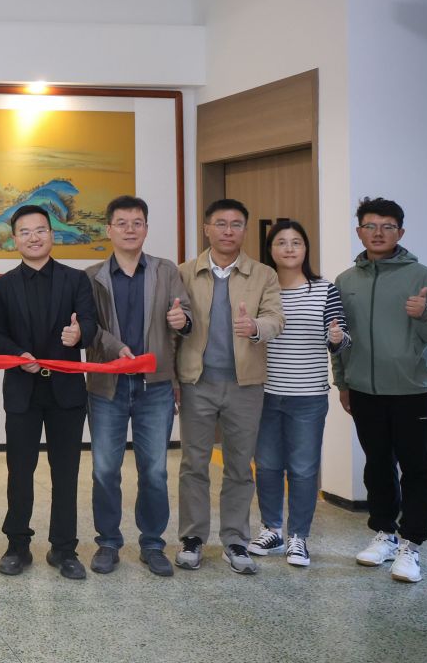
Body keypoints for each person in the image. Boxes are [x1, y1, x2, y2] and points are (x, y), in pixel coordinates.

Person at [0, 205, 98, 580]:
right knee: (19, 471)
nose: (33, 238)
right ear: (14, 239)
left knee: (65, 472)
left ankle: (64, 548)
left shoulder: (76, 280)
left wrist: (79, 335)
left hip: (66, 393)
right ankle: (17, 544)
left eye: (40, 230)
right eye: (25, 232)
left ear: (52, 234)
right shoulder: (2, 286)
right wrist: (18, 355)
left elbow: (90, 324)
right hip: (23, 391)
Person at [334, 197, 427, 583]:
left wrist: (425, 314)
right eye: (370, 226)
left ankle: (412, 544)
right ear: (359, 231)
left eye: (387, 226)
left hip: (412, 391)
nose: (378, 233)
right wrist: (343, 383)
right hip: (365, 391)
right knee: (377, 465)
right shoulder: (346, 281)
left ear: (401, 232)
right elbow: (338, 340)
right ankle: (385, 533)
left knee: (417, 469)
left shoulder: (421, 275)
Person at [174, 198, 283, 575]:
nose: (228, 231)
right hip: (197, 382)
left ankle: (235, 539)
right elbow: (173, 327)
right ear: (206, 229)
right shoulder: (185, 272)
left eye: (236, 224)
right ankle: (192, 537)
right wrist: (173, 380)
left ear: (245, 230)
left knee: (239, 465)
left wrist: (255, 328)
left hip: (245, 385)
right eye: (220, 223)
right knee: (194, 464)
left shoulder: (263, 275)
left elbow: (276, 319)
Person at [84, 195, 190, 577]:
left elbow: (185, 316)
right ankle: (108, 542)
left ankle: (153, 544)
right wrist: (116, 348)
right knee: (105, 469)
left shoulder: (166, 271)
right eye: (122, 223)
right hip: (106, 387)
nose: (130, 230)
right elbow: (88, 327)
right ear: (108, 229)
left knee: (155, 470)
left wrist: (182, 320)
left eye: (137, 223)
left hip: (155, 387)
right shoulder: (91, 276)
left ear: (146, 228)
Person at [247, 220, 347, 569]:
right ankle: (272, 530)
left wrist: (337, 338)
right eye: (281, 242)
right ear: (270, 250)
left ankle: (298, 537)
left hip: (308, 396)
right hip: (263, 393)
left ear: (306, 249)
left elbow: (340, 337)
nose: (289, 248)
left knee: (303, 469)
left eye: (296, 242)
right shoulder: (261, 290)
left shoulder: (324, 290)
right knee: (267, 466)